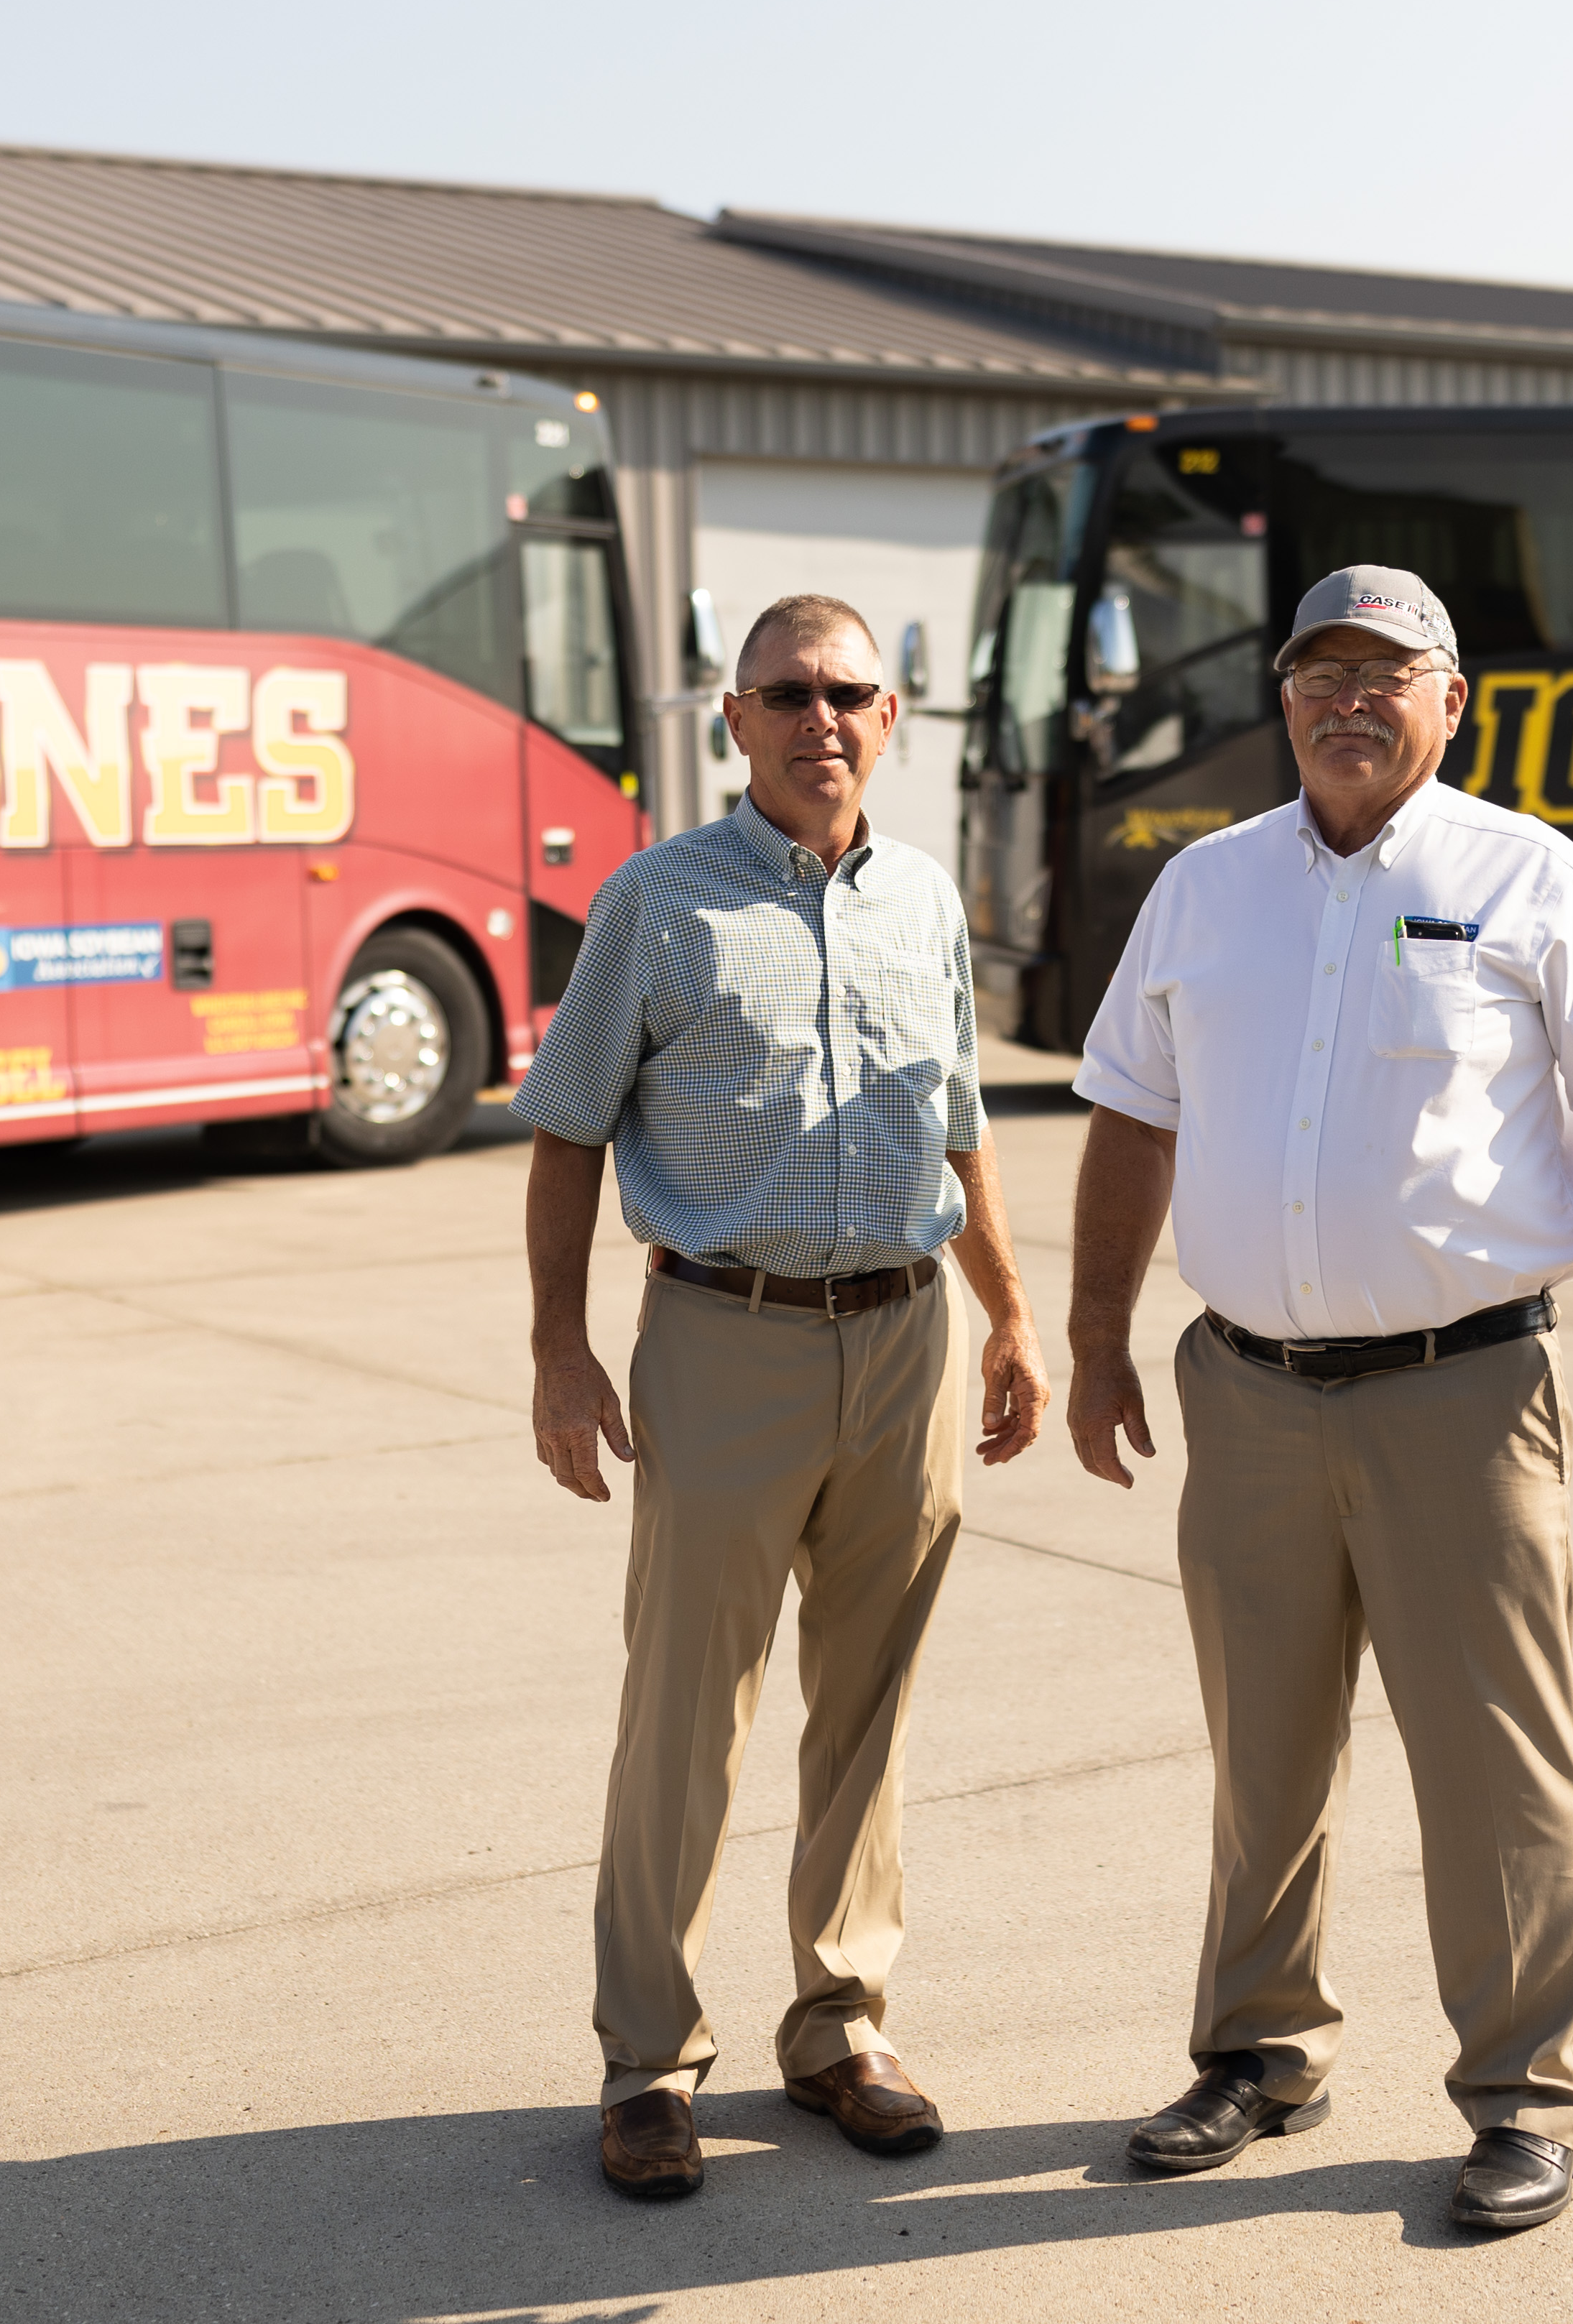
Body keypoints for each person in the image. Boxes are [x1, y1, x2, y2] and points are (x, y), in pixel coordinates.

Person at [1064, 563, 1573, 2235]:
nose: (1350, 701)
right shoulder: (1204, 888)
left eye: (1387, 674)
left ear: (1451, 701)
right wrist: (1093, 1338)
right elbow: (1132, 1118)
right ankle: (1260, 2051)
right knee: (1260, 1752)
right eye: (1319, 672)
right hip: (1250, 1397)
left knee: (1496, 1767)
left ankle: (1524, 2094)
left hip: (1462, 1395)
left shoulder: (1531, 879)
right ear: (1281, 699)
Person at [515, 591, 1049, 2203]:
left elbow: (961, 1120)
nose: (824, 719)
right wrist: (559, 1347)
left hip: (905, 1341)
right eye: (791, 693)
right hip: (725, 1340)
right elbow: (566, 1129)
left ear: (894, 720)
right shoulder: (657, 905)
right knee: (689, 1711)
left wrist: (1011, 1313)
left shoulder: (926, 903)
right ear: (734, 720)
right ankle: (649, 2060)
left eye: (853, 695)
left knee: (870, 1704)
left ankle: (839, 2027)